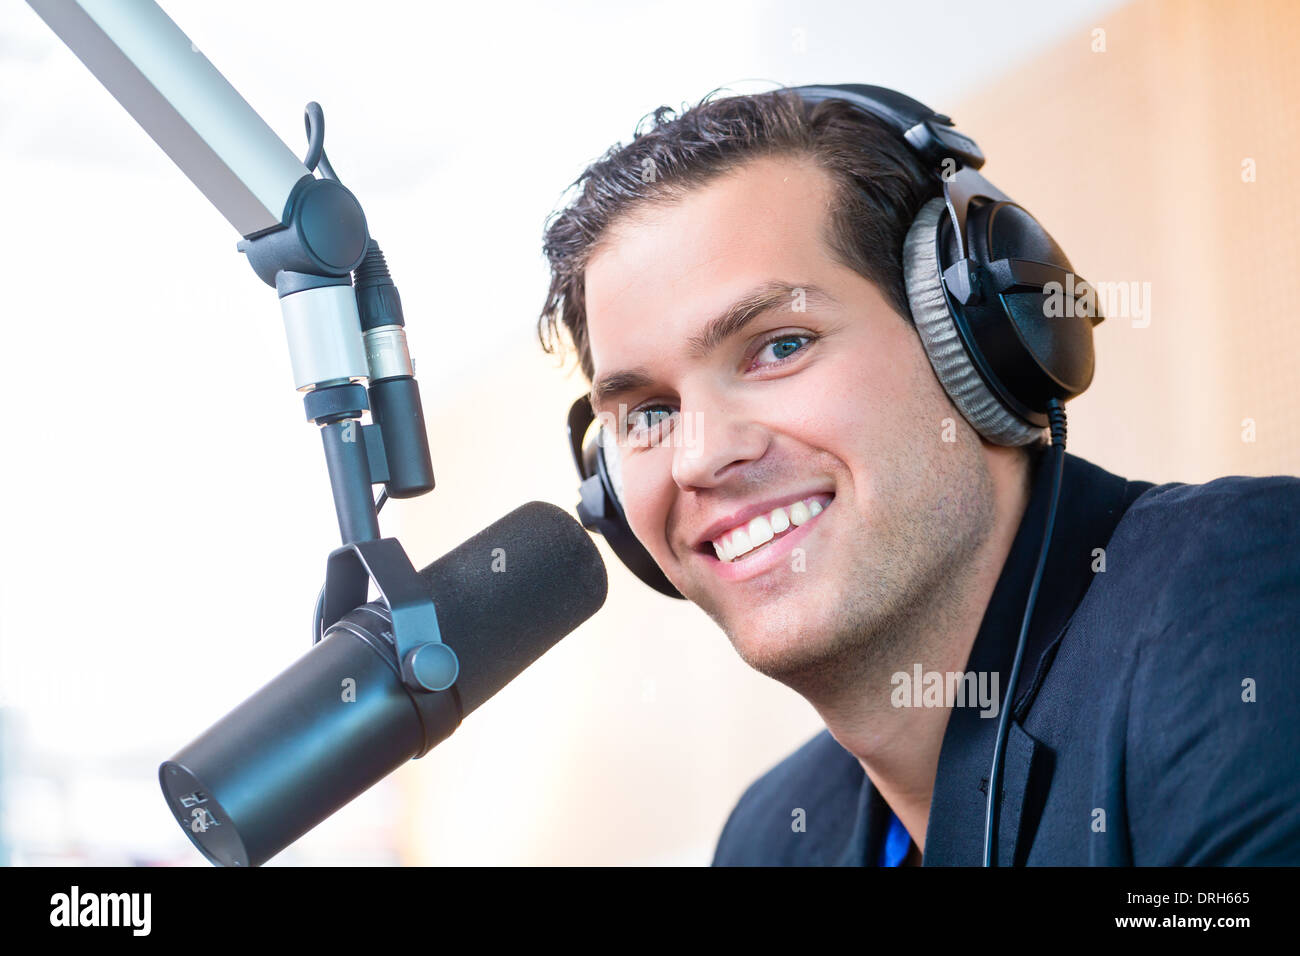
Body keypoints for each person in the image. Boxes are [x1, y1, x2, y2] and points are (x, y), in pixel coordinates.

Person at [535, 87, 1300, 865]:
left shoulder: (1243, 597)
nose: (699, 457)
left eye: (781, 346)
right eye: (649, 413)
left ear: (975, 336)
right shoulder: (772, 837)